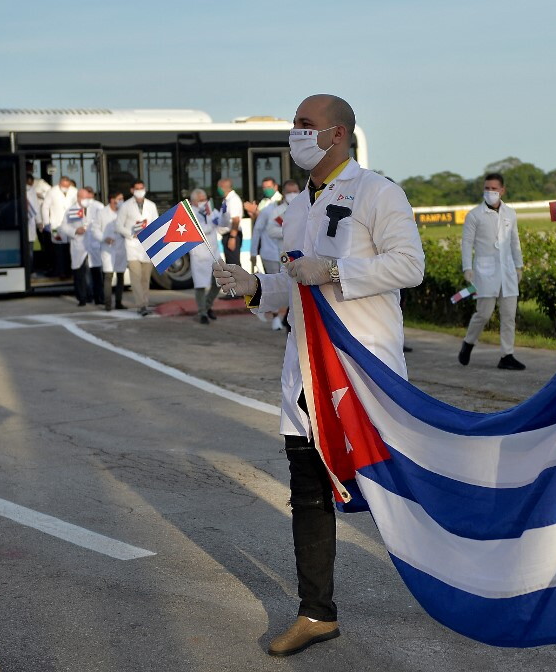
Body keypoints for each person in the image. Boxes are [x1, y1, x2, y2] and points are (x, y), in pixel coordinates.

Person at [212, 94, 425, 657]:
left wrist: (334, 269)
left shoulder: (379, 191)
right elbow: (294, 282)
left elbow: (410, 265)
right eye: (294, 125)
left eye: (304, 125)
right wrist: (253, 285)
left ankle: (466, 573)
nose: (295, 134)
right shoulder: (299, 204)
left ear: (337, 133)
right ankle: (316, 613)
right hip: (304, 368)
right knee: (308, 494)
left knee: (394, 489)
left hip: (361, 369)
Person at [458, 173, 526, 370]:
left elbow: (515, 242)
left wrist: (519, 265)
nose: (490, 192)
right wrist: (467, 268)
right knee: (484, 314)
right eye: (487, 188)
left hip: (508, 272)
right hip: (485, 272)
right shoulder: (474, 215)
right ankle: (468, 343)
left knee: (508, 316)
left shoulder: (510, 214)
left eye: (494, 189)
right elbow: (466, 243)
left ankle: (507, 355)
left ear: (502, 190)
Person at [251, 179, 301, 330]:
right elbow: (262, 230)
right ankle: (277, 317)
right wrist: (253, 253)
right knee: (279, 288)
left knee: (291, 289)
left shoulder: (305, 207)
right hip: (273, 254)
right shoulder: (273, 210)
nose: (292, 195)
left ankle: (281, 318)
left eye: (295, 191)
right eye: (289, 192)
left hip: (298, 257)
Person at [117, 180, 159, 316]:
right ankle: (141, 305)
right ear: (132, 190)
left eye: (141, 188)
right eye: (137, 188)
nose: (140, 190)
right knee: (136, 277)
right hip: (132, 246)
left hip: (147, 246)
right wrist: (131, 233)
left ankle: (145, 302)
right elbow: (118, 226)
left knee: (145, 278)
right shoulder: (125, 206)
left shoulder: (151, 206)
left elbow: (156, 224)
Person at [188, 189, 223, 324]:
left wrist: (223, 215)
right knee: (200, 285)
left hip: (214, 252)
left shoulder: (211, 210)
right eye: (201, 200)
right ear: (194, 202)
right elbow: (200, 231)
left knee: (221, 280)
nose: (204, 202)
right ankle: (202, 312)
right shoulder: (189, 214)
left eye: (205, 199)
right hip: (199, 254)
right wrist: (212, 224)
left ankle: (207, 306)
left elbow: (221, 224)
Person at [59, 187, 96, 306]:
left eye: (88, 198)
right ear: (79, 198)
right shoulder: (71, 210)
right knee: (80, 273)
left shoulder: (94, 208)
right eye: (85, 198)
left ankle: (91, 295)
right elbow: (63, 226)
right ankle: (82, 298)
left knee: (91, 272)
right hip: (79, 245)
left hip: (92, 245)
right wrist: (75, 230)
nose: (87, 200)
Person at [92, 192, 127, 311]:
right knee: (108, 275)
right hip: (108, 248)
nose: (122, 201)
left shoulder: (124, 211)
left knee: (121, 275)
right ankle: (108, 304)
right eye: (119, 198)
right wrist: (103, 238)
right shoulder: (102, 213)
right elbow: (95, 229)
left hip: (121, 246)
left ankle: (118, 302)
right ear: (112, 200)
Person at [41, 176, 77, 277]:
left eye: (67, 186)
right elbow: (45, 207)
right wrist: (47, 222)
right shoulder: (52, 191)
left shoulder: (74, 191)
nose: (65, 188)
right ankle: (60, 271)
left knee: (69, 248)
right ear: (59, 184)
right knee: (58, 249)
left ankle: (69, 271)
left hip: (70, 225)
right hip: (56, 226)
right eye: (63, 186)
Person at [82, 186, 106, 306]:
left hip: (96, 245)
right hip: (83, 245)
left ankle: (99, 297)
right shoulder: (78, 207)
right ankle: (88, 295)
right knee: (86, 272)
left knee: (97, 273)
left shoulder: (99, 206)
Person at [217, 178, 244, 266]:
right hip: (227, 235)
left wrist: (232, 237)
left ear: (223, 187)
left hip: (232, 235)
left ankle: (240, 280)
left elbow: (236, 220)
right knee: (230, 264)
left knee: (234, 265)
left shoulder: (233, 200)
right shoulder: (227, 200)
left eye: (219, 187)